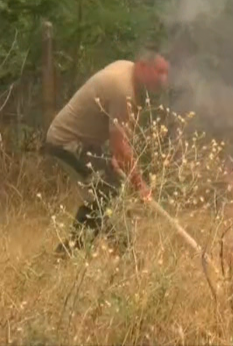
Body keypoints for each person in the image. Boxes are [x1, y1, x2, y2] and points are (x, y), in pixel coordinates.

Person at [43, 50, 170, 257]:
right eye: (159, 72)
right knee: (103, 194)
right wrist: (140, 185)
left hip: (87, 143)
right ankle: (71, 255)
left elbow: (116, 136)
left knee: (108, 193)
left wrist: (118, 155)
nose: (163, 79)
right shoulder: (123, 89)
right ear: (143, 67)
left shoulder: (127, 70)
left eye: (166, 73)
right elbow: (121, 148)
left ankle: (118, 254)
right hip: (66, 143)